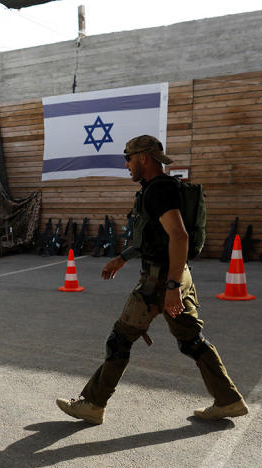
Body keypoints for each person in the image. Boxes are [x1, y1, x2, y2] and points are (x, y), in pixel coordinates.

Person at [56, 135, 247, 424]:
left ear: (144, 158)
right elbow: (153, 237)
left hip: (160, 280)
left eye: (129, 158)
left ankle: (93, 404)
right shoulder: (164, 188)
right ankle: (228, 399)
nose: (127, 164)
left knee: (120, 339)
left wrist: (170, 288)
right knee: (192, 341)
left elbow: (179, 236)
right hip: (177, 274)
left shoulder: (157, 191)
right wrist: (123, 258)